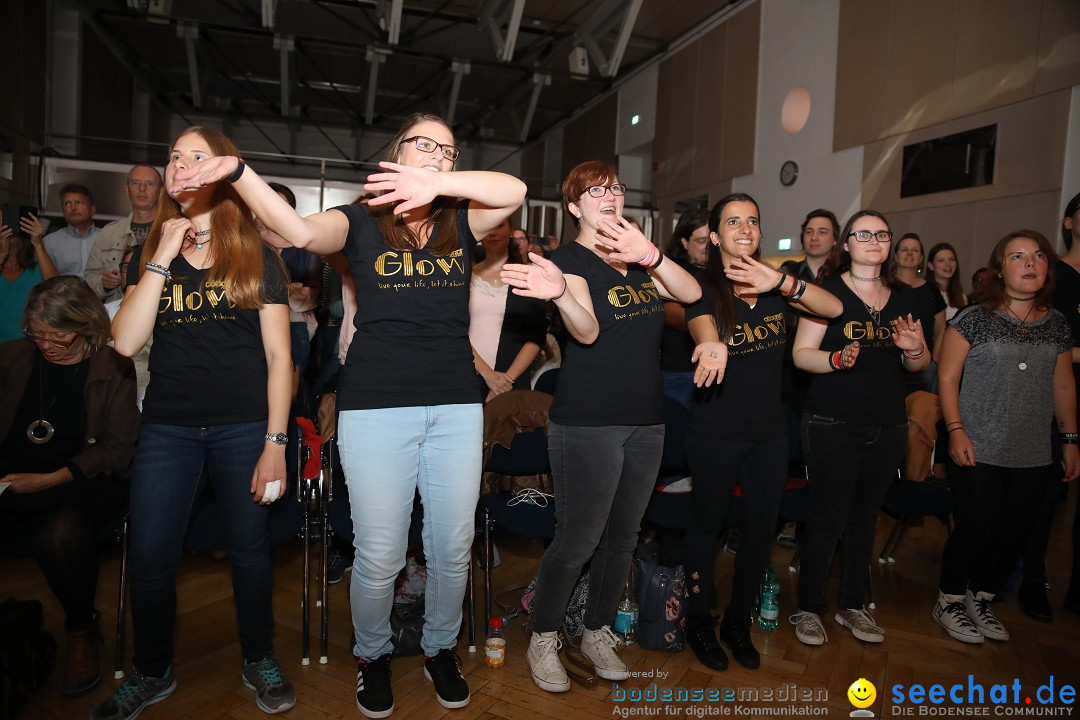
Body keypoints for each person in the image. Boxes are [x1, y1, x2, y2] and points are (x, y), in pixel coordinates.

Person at [166, 112, 526, 717]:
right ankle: (373, 654)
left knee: (453, 546)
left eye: (449, 149)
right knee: (381, 552)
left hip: (455, 407)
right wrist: (240, 170)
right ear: (396, 153)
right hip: (377, 406)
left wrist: (440, 184)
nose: (439, 154)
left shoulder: (461, 219)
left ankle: (439, 647)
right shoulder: (360, 222)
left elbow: (512, 191)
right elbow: (295, 231)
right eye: (425, 145)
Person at [92, 126, 296, 720]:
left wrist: (275, 443)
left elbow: (281, 358)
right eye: (173, 158)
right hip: (167, 429)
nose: (180, 167)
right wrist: (159, 255)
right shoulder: (148, 253)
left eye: (196, 157)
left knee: (250, 553)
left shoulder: (256, 255)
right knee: (151, 557)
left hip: (242, 426)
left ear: (224, 169)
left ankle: (258, 657)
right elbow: (125, 342)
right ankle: (152, 671)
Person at [500, 160, 701, 693]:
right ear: (573, 206)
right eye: (594, 191)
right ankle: (544, 636)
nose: (608, 197)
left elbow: (692, 294)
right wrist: (561, 292)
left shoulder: (636, 255)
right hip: (588, 422)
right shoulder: (565, 260)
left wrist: (651, 255)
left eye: (614, 188)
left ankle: (596, 630)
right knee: (579, 538)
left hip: (646, 420)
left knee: (623, 538)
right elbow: (585, 333)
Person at [681, 193, 841, 671]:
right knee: (706, 528)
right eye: (733, 222)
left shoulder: (776, 286)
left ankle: (736, 621)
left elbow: (831, 308)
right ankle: (697, 621)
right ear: (714, 235)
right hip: (714, 431)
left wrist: (783, 281)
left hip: (769, 435)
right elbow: (702, 328)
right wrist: (711, 346)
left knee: (759, 531)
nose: (745, 229)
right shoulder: (701, 286)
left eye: (752, 220)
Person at [789, 210, 929, 647]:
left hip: (888, 425)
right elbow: (801, 354)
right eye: (863, 233)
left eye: (881, 234)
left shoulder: (905, 298)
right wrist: (834, 360)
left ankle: (852, 606)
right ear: (845, 244)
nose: (873, 240)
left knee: (866, 519)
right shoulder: (826, 293)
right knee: (827, 516)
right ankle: (809, 608)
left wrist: (914, 348)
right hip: (832, 420)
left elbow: (919, 364)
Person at [932, 230, 1078, 643]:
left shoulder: (1057, 324)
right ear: (1000, 269)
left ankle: (981, 597)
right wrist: (956, 430)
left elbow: (1064, 386)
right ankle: (949, 600)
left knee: (1017, 530)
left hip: (1033, 447)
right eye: (1017, 256)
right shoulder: (974, 318)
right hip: (977, 441)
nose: (1029, 263)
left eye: (1037, 256)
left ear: (1048, 267)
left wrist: (1070, 439)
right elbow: (946, 375)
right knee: (977, 524)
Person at [0, 276, 138, 698]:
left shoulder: (111, 366)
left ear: (86, 325)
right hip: (12, 475)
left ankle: (81, 630)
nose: (46, 343)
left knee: (59, 531)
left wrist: (48, 479)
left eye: (58, 334)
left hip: (82, 479)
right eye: (37, 333)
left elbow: (116, 450)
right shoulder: (10, 358)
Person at [469, 217, 547, 401]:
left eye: (499, 225)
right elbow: (455, 330)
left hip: (511, 382)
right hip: (467, 376)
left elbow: (536, 337)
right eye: (488, 226)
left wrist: (504, 382)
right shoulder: (464, 277)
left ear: (511, 229)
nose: (493, 232)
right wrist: (488, 375)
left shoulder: (528, 277)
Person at [83, 165, 163, 302]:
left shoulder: (172, 232)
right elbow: (89, 279)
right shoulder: (108, 234)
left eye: (149, 184)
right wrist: (104, 284)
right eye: (135, 183)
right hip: (117, 311)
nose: (142, 189)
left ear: (160, 192)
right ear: (127, 189)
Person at [659, 207, 710, 409]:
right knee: (678, 432)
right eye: (700, 241)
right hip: (680, 370)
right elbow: (672, 315)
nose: (708, 247)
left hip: (719, 369)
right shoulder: (672, 272)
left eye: (711, 240)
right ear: (684, 242)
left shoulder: (724, 273)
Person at [103, 247, 151, 409]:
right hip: (114, 403)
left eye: (142, 266)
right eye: (127, 267)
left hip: (152, 403)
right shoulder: (103, 313)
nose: (133, 272)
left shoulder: (168, 313)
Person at [1, 215, 58, 343]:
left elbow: (56, 290)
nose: (3, 229)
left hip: (28, 345)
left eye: (6, 223)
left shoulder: (35, 269)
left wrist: (38, 244)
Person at [43, 184, 99, 277]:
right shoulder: (49, 242)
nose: (73, 208)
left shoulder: (107, 237)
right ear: (62, 209)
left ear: (92, 210)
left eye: (78, 202)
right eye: (67, 203)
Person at [780, 209, 840, 283]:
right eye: (809, 232)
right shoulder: (785, 275)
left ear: (835, 240)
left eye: (822, 232)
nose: (814, 238)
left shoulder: (844, 275)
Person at [926, 242, 965, 320]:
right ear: (931, 265)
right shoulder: (925, 293)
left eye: (952, 259)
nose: (948, 264)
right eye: (941, 260)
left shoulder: (961, 297)